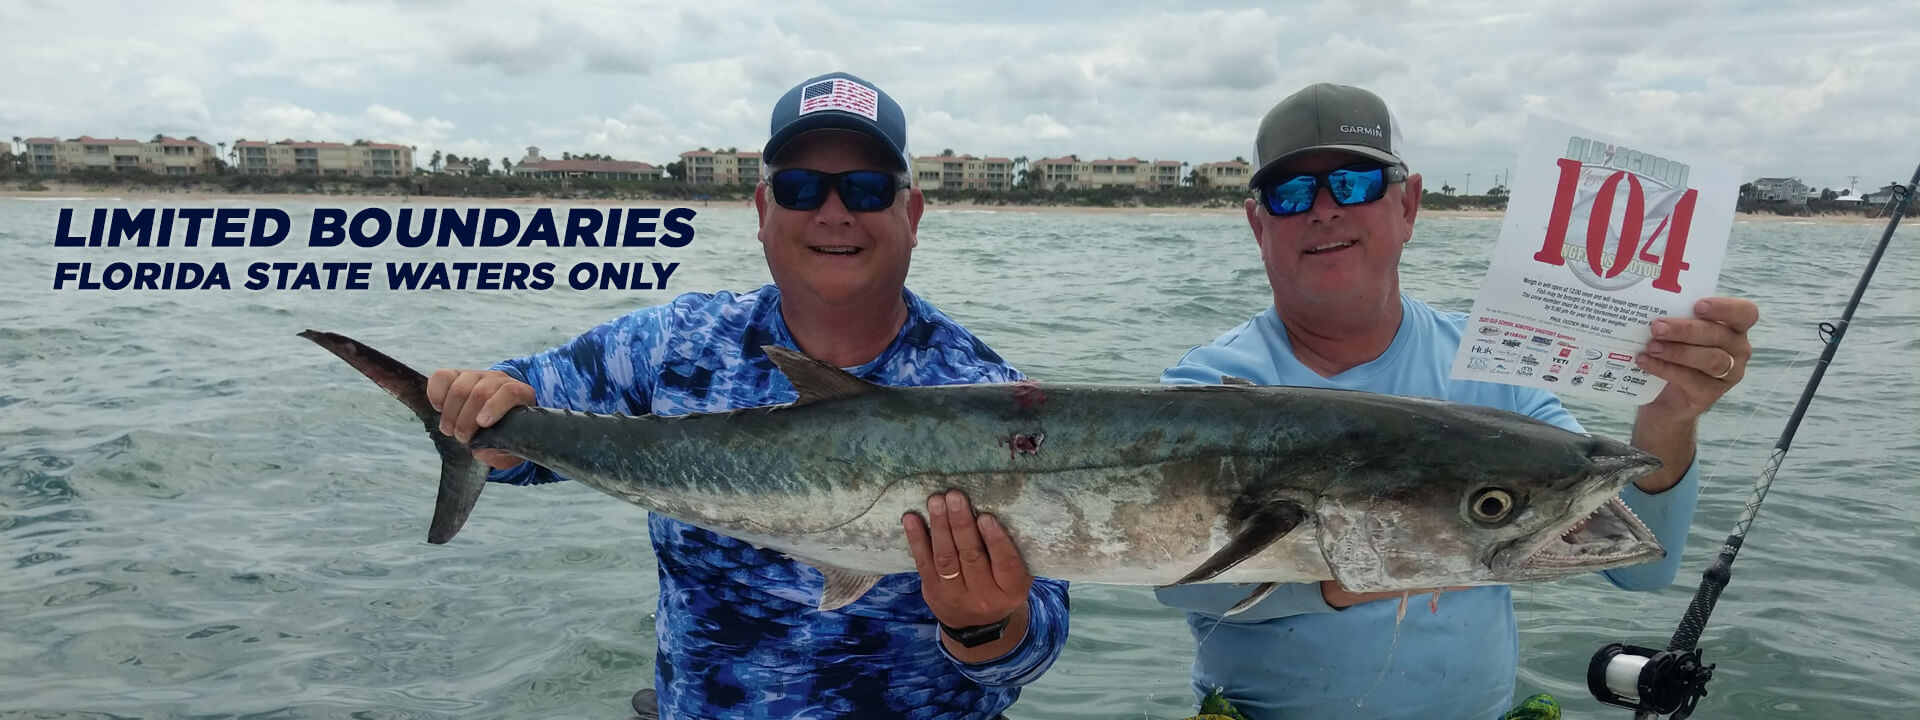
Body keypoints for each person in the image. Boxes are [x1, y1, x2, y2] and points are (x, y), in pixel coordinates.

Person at [423, 71, 1070, 719]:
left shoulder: (996, 401)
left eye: (869, 190)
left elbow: (1038, 648)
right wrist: (479, 409)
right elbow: (519, 420)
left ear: (913, 214)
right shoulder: (676, 344)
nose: (834, 211)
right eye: (800, 188)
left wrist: (983, 624)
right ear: (763, 212)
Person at [1153, 82, 1759, 719]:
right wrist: (1371, 567)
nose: (1324, 209)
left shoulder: (1495, 364)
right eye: (1291, 193)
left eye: (1356, 183)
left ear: (1409, 205)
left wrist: (1665, 421)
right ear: (1258, 224)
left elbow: (1638, 571)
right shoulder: (1208, 390)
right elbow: (1178, 583)